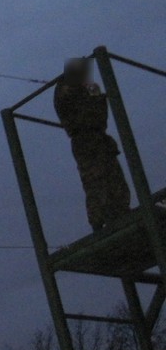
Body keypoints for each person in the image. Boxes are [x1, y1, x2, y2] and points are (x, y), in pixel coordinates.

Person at [53, 57, 131, 231]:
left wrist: (94, 93)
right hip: (85, 140)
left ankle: (119, 211)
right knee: (95, 181)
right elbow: (71, 108)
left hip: (98, 138)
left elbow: (100, 113)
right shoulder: (65, 88)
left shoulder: (87, 86)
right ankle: (99, 220)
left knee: (114, 178)